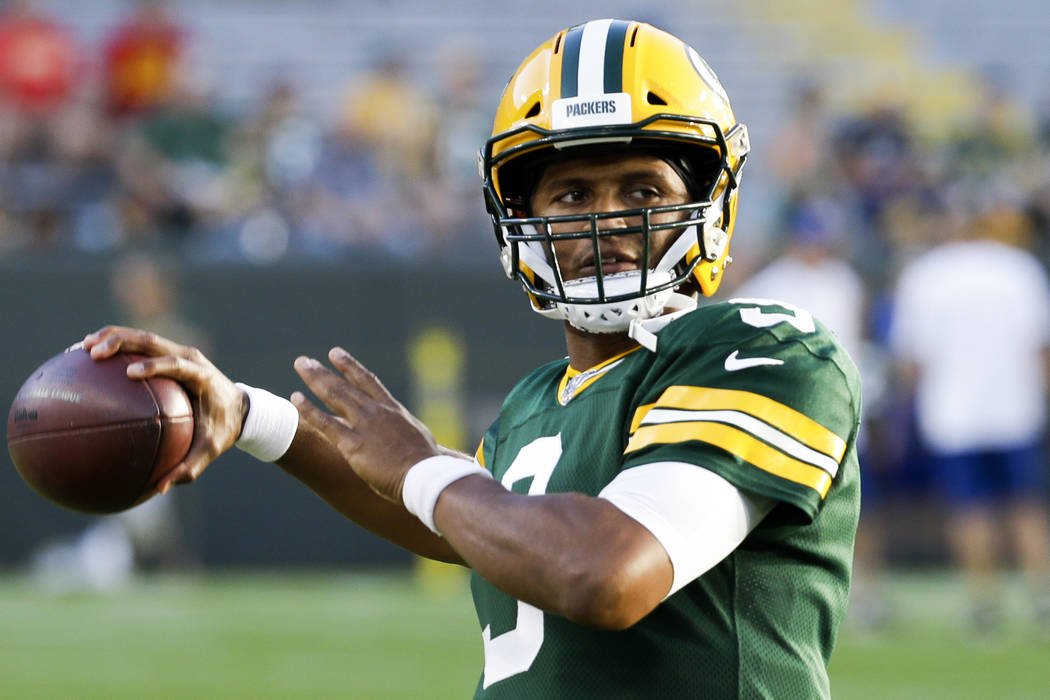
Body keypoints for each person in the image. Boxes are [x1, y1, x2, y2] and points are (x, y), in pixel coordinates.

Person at [83, 20, 862, 698]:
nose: (608, 220)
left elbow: (604, 572)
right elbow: (463, 521)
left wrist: (427, 467)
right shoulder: (537, 400)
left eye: (642, 189)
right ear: (518, 218)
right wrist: (252, 415)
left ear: (710, 199)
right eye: (572, 196)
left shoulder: (765, 349)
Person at [890, 192, 1050, 634]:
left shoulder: (925, 275)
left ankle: (985, 602)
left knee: (969, 509)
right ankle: (1041, 597)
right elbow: (1040, 348)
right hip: (1016, 407)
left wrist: (907, 413)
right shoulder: (1019, 270)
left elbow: (911, 359)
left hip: (952, 413)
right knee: (1025, 504)